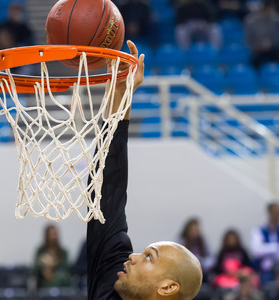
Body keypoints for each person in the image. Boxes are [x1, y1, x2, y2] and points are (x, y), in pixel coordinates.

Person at [87, 40, 203, 300]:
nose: (133, 256)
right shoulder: (112, 285)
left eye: (149, 257)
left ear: (168, 287)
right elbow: (107, 196)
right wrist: (122, 92)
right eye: (145, 253)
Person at [244, 0, 279, 68]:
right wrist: (257, 46)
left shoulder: (276, 20)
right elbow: (248, 40)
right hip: (257, 52)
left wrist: (271, 45)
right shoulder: (250, 21)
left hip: (273, 50)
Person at [251, 202, 279, 284]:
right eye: (274, 212)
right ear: (269, 213)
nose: (276, 215)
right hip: (265, 270)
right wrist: (275, 247)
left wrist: (266, 248)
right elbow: (256, 251)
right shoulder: (259, 231)